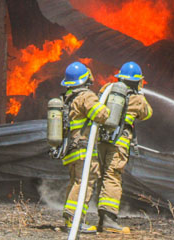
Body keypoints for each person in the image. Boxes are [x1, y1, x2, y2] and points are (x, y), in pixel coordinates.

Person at [95, 61, 153, 233]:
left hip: (102, 140)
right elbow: (148, 113)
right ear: (137, 81)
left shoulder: (108, 88)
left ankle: (102, 218)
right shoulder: (137, 99)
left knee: (104, 176)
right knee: (113, 177)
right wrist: (140, 92)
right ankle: (109, 220)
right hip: (119, 143)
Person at [59, 61, 109, 234]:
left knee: (76, 182)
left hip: (72, 150)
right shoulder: (86, 96)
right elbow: (101, 115)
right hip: (83, 151)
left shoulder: (68, 97)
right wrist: (105, 104)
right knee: (84, 183)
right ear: (84, 78)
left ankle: (70, 219)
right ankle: (74, 220)